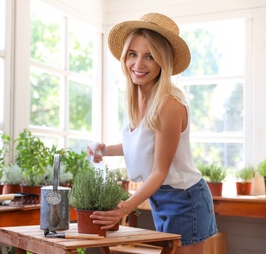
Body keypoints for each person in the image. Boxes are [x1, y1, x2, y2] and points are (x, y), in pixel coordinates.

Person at [88, 13, 217, 254]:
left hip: (184, 199)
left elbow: (160, 170)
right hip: (161, 196)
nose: (138, 64)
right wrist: (105, 149)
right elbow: (142, 145)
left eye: (150, 56)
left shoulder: (170, 105)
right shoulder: (135, 98)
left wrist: (125, 207)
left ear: (163, 62)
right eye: (133, 54)